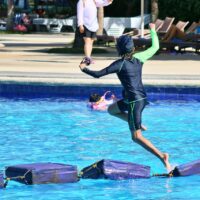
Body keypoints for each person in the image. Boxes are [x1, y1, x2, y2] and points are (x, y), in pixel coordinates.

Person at [79, 23, 171, 171]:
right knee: (111, 109)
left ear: (118, 49)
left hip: (135, 102)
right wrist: (153, 30)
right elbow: (155, 47)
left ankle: (162, 157)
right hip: (137, 99)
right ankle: (137, 122)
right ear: (132, 48)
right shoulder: (139, 58)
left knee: (136, 137)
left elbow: (97, 74)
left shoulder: (119, 64)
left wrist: (83, 68)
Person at [77, 0, 113, 67]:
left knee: (91, 42)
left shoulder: (93, 1)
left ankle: (89, 58)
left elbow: (102, 3)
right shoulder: (81, 2)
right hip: (85, 24)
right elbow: (79, 13)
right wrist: (80, 25)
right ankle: (87, 58)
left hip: (93, 25)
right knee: (87, 41)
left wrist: (108, 1)